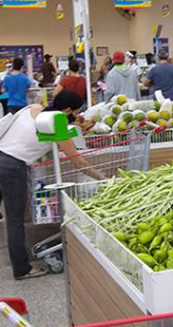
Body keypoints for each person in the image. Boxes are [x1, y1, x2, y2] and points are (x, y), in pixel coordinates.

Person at [0, 91, 104, 280]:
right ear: (66, 110)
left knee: (10, 218)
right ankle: (22, 269)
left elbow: (32, 138)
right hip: (13, 167)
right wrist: (102, 178)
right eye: (75, 113)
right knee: (15, 221)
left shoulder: (33, 108)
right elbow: (78, 162)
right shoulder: (56, 123)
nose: (75, 117)